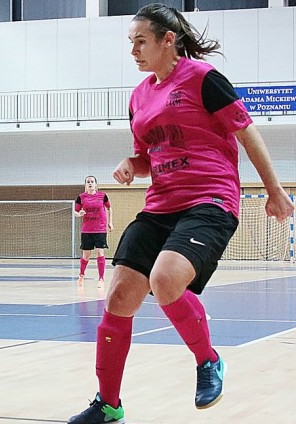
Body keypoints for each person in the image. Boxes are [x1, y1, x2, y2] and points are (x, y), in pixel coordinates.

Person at [67, 4, 295, 424]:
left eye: (141, 42)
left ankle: (208, 360)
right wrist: (131, 165)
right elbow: (148, 157)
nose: (133, 51)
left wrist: (275, 191)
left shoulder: (203, 79)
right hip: (160, 205)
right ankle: (109, 404)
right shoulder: (138, 97)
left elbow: (248, 132)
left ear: (167, 40)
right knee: (118, 297)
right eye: (130, 43)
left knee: (166, 279)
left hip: (210, 201)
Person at [74, 176, 113, 289]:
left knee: (100, 252)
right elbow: (75, 212)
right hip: (87, 230)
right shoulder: (81, 197)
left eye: (92, 182)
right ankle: (81, 275)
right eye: (88, 182)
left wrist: (110, 222)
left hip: (100, 229)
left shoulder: (102, 196)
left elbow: (109, 208)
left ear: (96, 184)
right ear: (85, 184)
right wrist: (79, 214)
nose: (90, 183)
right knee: (86, 255)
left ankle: (101, 278)